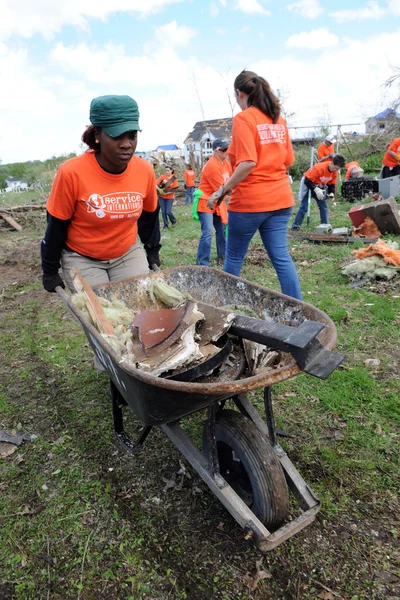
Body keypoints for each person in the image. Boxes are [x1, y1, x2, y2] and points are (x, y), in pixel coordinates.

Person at [41, 94, 161, 294]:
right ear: (98, 134)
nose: (126, 144)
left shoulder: (144, 170)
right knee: (104, 318)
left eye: (132, 135)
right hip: (83, 258)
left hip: (127, 253)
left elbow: (149, 218)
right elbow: (56, 225)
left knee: (139, 309)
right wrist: (50, 270)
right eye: (116, 136)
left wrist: (152, 250)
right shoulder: (72, 172)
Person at [207, 70, 302, 300]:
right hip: (281, 200)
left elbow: (248, 162)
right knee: (281, 257)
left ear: (239, 93)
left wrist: (221, 190)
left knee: (234, 258)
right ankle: (299, 311)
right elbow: (289, 160)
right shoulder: (278, 119)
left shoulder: (244, 118)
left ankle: (226, 308)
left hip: (250, 203)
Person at [195, 139, 231, 266]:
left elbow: (231, 180)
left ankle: (223, 257)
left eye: (228, 149)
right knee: (208, 232)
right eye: (224, 149)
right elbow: (222, 188)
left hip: (217, 201)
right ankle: (202, 263)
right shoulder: (211, 166)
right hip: (206, 202)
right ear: (216, 150)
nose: (227, 152)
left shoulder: (225, 163)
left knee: (221, 230)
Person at [291, 154, 346, 230]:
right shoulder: (319, 167)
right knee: (304, 207)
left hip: (321, 187)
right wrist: (315, 189)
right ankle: (295, 226)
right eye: (335, 168)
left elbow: (331, 184)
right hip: (309, 185)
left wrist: (331, 193)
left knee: (323, 206)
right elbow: (307, 180)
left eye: (337, 169)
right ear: (331, 163)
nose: (335, 170)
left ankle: (325, 226)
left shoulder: (335, 172)